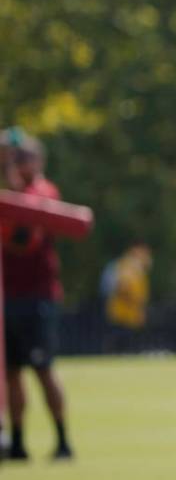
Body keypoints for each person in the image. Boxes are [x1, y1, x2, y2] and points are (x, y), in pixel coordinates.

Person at [0, 134, 73, 460]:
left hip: (37, 296)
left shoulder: (44, 191)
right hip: (8, 294)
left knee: (43, 369)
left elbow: (23, 239)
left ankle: (62, 440)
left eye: (22, 159)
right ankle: (17, 442)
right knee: (12, 373)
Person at [103, 242, 152, 353]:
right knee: (122, 347)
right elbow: (122, 288)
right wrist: (136, 305)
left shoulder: (137, 268)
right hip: (123, 314)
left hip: (131, 315)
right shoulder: (127, 266)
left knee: (128, 347)